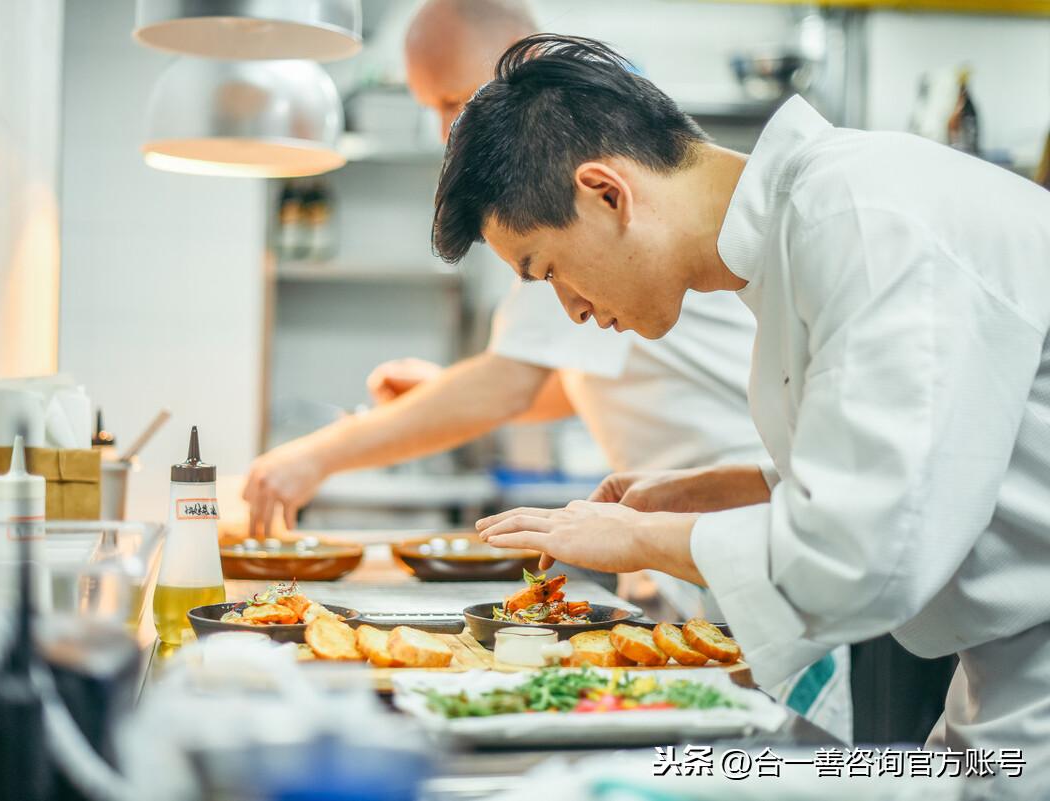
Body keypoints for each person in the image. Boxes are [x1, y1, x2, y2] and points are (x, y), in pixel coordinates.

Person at [437, 33, 1050, 796]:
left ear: (607, 192)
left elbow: (864, 556)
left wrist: (641, 538)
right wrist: (722, 487)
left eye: (549, 269)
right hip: (1000, 696)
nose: (571, 309)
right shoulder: (809, 228)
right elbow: (941, 454)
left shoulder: (865, 216)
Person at [243, 0, 851, 740]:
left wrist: (311, 458)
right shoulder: (628, 221)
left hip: (776, 573)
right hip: (723, 552)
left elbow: (510, 384)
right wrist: (442, 391)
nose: (446, 132)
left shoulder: (558, 180)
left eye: (449, 102)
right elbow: (566, 378)